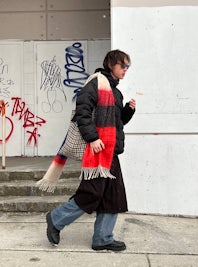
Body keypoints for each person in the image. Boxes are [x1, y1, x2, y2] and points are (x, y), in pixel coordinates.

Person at [46, 49, 136, 251]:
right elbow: (82, 113)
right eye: (123, 65)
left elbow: (117, 122)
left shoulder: (116, 92)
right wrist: (93, 138)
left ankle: (103, 238)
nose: (125, 70)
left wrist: (128, 111)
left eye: (127, 67)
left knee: (113, 196)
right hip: (97, 150)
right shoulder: (95, 83)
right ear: (111, 64)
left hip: (110, 151)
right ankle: (56, 218)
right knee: (91, 193)